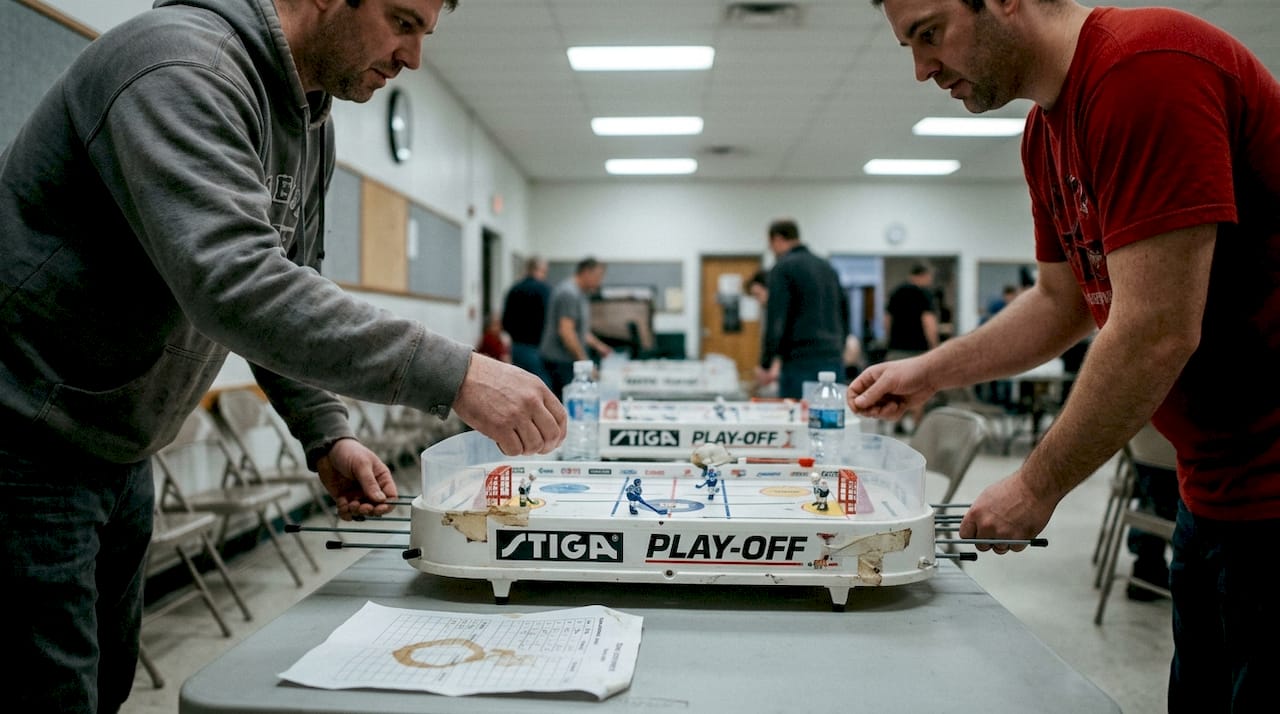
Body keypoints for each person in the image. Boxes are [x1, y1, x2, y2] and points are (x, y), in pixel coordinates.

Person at [0, 1, 570, 712]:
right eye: (401, 21)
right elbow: (236, 285)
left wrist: (325, 432)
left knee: (106, 684)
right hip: (25, 434)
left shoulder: (308, 120)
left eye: (424, 32)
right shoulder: (180, 66)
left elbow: (288, 288)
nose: (412, 57)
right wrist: (459, 374)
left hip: (119, 442)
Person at [858, 1, 1280, 709]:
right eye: (910, 45)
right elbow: (1062, 302)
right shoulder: (1044, 134)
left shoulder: (1145, 69)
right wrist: (930, 371)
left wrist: (1035, 486)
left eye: (930, 34)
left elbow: (1156, 329)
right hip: (1212, 485)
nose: (923, 69)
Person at [755, 219, 851, 400]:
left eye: (770, 245)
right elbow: (845, 311)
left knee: (798, 413)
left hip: (800, 360)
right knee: (830, 412)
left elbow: (777, 319)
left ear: (777, 239)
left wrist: (765, 363)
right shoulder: (827, 267)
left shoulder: (783, 268)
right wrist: (841, 345)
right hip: (832, 357)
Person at [539, 257, 613, 398]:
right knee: (565, 403)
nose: (599, 282)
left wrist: (599, 346)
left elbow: (580, 331)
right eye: (598, 276)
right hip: (559, 361)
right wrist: (585, 363)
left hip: (567, 360)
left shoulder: (580, 294)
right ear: (586, 272)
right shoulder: (569, 293)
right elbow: (566, 332)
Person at [883, 262, 939, 431]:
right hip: (918, 349)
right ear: (923, 275)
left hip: (896, 348)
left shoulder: (896, 292)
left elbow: (887, 320)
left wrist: (890, 340)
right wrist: (935, 346)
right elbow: (928, 322)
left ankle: (898, 423)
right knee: (918, 388)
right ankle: (916, 424)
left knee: (896, 387)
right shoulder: (924, 294)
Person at [502, 256, 552, 388]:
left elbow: (505, 322)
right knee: (543, 387)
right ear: (539, 270)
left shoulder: (514, 289)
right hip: (537, 348)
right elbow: (550, 321)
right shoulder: (545, 290)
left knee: (520, 386)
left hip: (517, 347)